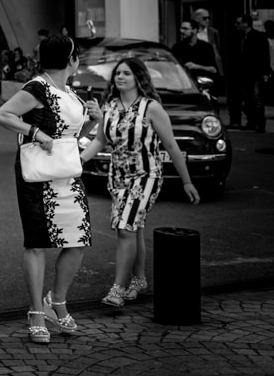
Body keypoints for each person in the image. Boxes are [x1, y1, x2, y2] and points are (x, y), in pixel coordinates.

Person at [0, 35, 102, 344]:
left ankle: (57, 301)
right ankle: (35, 312)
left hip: (67, 172)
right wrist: (35, 131)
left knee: (77, 240)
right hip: (38, 175)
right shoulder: (37, 88)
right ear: (72, 59)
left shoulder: (70, 92)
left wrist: (95, 120)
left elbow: (69, 134)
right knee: (37, 243)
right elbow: (2, 115)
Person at [83, 57, 199, 308]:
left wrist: (186, 181)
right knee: (133, 229)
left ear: (138, 77)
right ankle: (139, 281)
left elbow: (171, 145)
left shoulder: (151, 108)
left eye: (126, 73)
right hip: (117, 177)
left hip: (146, 176)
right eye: (117, 73)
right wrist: (77, 161)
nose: (120, 77)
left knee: (125, 228)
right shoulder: (110, 106)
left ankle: (118, 289)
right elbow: (100, 140)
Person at [238, 15, 271, 133]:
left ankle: (260, 123)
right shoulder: (242, 37)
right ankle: (251, 121)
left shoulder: (258, 37)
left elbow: (265, 56)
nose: (237, 25)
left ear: (246, 24)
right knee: (248, 98)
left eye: (239, 23)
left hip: (256, 73)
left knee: (256, 97)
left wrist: (265, 72)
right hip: (246, 73)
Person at [172, 20, 219, 85]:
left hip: (202, 84)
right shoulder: (177, 47)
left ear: (195, 30)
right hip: (184, 84)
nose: (182, 31)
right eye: (181, 28)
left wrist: (196, 66)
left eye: (185, 29)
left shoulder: (206, 47)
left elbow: (213, 70)